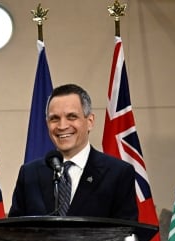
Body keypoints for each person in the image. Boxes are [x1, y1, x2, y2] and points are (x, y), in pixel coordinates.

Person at [9, 83, 138, 220]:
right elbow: (12, 232)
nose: (62, 126)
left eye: (71, 117)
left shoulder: (118, 173)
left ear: (90, 121)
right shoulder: (29, 174)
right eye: (54, 118)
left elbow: (126, 235)